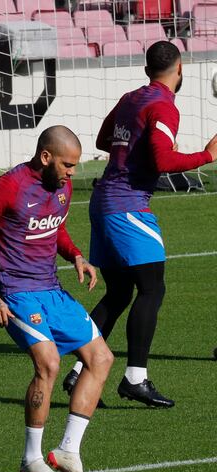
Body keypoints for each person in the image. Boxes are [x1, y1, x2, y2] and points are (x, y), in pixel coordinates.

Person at [62, 41, 217, 408]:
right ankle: (136, 378)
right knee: (152, 289)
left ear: (148, 68)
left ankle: (77, 373)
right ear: (179, 68)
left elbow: (103, 139)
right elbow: (162, 160)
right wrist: (208, 156)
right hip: (126, 206)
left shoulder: (131, 97)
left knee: (118, 294)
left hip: (103, 202)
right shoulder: (163, 105)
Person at [0, 126, 114, 472]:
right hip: (15, 292)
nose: (72, 172)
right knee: (49, 363)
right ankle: (31, 459)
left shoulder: (62, 185)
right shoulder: (6, 187)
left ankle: (68, 451)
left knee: (101, 358)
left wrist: (75, 255)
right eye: (67, 165)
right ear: (46, 157)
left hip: (52, 290)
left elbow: (53, 226)